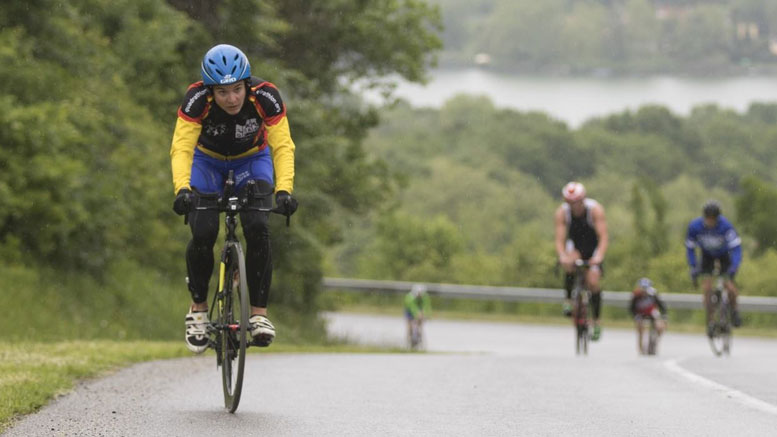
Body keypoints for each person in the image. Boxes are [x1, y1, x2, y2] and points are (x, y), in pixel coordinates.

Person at [170, 44, 298, 353]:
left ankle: (259, 315)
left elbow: (282, 146)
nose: (232, 99)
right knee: (203, 232)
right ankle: (198, 310)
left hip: (252, 160)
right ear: (211, 90)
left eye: (237, 89)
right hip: (207, 162)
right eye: (223, 92)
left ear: (247, 84)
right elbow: (182, 147)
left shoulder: (266, 96)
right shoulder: (196, 99)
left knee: (257, 226)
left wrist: (284, 190)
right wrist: (182, 189)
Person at [554, 182, 609, 341]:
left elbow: (603, 237)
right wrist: (562, 255)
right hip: (576, 246)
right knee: (569, 262)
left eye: (577, 202)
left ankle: (597, 321)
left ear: (583, 199)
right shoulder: (562, 213)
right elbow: (560, 239)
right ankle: (569, 299)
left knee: (592, 282)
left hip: (593, 247)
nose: (574, 206)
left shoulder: (595, 210)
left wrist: (598, 257)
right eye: (570, 203)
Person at [685, 200, 742, 337]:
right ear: (704, 217)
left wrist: (734, 266)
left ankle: (734, 311)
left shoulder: (726, 226)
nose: (710, 221)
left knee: (729, 285)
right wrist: (693, 266)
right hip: (707, 257)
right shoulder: (695, 227)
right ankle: (711, 322)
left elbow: (736, 248)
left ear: (718, 218)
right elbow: (690, 248)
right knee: (707, 288)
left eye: (713, 219)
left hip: (724, 255)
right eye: (708, 218)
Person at [629, 278, 667, 355]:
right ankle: (641, 348)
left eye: (646, 288)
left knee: (659, 326)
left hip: (652, 313)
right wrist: (635, 316)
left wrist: (664, 317)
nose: (644, 290)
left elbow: (662, 306)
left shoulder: (653, 294)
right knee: (640, 327)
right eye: (642, 288)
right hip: (640, 314)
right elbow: (631, 308)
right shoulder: (636, 295)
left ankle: (654, 342)